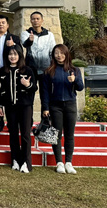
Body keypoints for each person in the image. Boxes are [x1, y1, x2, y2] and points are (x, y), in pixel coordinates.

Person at [40, 44, 84, 175]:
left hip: (70, 104)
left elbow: (80, 87)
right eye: (56, 53)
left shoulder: (74, 70)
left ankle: (68, 162)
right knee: (56, 134)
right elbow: (45, 92)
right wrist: (45, 107)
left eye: (61, 53)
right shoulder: (49, 71)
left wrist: (74, 81)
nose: (59, 55)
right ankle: (59, 162)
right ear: (53, 55)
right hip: (55, 106)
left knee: (69, 134)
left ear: (66, 54)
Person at [0, 45, 36, 173]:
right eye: (10, 54)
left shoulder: (28, 70)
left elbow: (34, 88)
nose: (12, 57)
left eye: (15, 54)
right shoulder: (3, 71)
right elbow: (0, 91)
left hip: (25, 106)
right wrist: (0, 105)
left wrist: (28, 84)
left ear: (20, 55)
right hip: (10, 107)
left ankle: (26, 162)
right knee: (13, 133)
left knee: (25, 134)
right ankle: (15, 159)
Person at [20, 11, 56, 77]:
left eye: (37, 19)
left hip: (46, 68)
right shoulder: (25, 33)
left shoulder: (49, 35)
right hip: (31, 67)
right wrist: (30, 40)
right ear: (30, 21)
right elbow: (25, 44)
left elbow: (52, 51)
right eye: (33, 19)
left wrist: (53, 65)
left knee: (45, 84)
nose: (35, 21)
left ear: (42, 20)